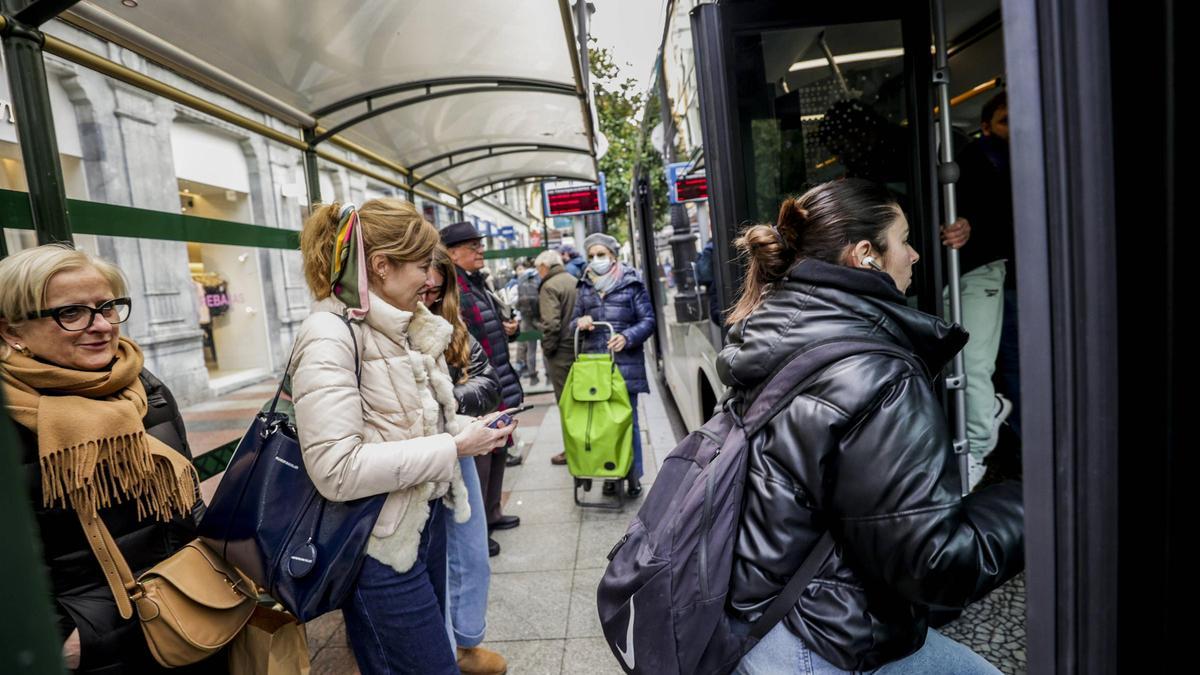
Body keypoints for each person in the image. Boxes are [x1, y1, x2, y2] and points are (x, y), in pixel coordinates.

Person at [721, 179, 1024, 674]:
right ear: (866, 254)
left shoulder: (777, 331)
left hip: (761, 622)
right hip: (825, 642)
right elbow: (933, 564)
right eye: (903, 239)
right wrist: (1036, 503)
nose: (915, 255)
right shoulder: (877, 372)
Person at [292, 200, 515, 674]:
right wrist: (453, 447)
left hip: (420, 525)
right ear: (381, 266)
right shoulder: (329, 336)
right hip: (377, 548)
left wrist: (468, 431)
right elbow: (337, 470)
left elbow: (411, 424)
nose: (430, 280)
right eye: (421, 267)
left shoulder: (400, 327)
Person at [1, 244, 219, 674]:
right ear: (12, 332)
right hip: (93, 647)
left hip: (186, 614)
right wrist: (64, 634)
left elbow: (185, 505)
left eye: (108, 307)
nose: (100, 326)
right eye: (72, 313)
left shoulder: (145, 388)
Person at [421, 245, 507, 675]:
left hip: (456, 453)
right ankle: (447, 645)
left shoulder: (449, 325)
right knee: (433, 561)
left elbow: (488, 380)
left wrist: (449, 403)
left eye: (436, 292)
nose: (428, 298)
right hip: (415, 464)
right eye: (423, 290)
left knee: (470, 552)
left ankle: (465, 642)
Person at [941, 91, 1017, 489]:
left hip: (985, 273)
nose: (1014, 129)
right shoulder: (978, 160)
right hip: (976, 270)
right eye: (1006, 121)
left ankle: (979, 451)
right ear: (986, 127)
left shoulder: (1013, 161)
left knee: (975, 367)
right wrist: (967, 226)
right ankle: (990, 416)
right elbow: (975, 214)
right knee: (976, 366)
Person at [442, 221, 524, 537]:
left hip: (496, 377)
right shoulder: (455, 290)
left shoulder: (476, 283)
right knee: (483, 457)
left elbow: (487, 329)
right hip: (478, 385)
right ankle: (481, 528)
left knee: (499, 447)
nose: (480, 250)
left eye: (480, 244)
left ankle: (493, 513)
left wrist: (507, 330)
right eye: (472, 246)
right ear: (451, 253)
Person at [570, 232, 656, 496]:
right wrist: (580, 323)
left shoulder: (631, 283)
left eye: (601, 255)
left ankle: (633, 475)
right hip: (595, 367)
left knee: (626, 421)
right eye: (592, 256)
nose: (596, 260)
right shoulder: (584, 286)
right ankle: (610, 474)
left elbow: (648, 320)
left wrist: (627, 337)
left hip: (625, 364)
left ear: (613, 256)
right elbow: (571, 323)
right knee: (604, 426)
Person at [533, 249, 579, 465]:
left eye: (538, 269)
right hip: (577, 348)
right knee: (579, 401)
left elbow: (551, 324)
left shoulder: (549, 286)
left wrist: (547, 348)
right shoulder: (572, 279)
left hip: (561, 352)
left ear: (544, 267)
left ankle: (572, 451)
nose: (537, 273)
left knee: (567, 404)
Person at [515, 258, 542, 386]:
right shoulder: (539, 277)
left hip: (526, 318)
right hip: (539, 317)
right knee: (545, 346)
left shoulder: (521, 279)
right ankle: (548, 376)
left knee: (531, 348)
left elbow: (517, 302)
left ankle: (533, 376)